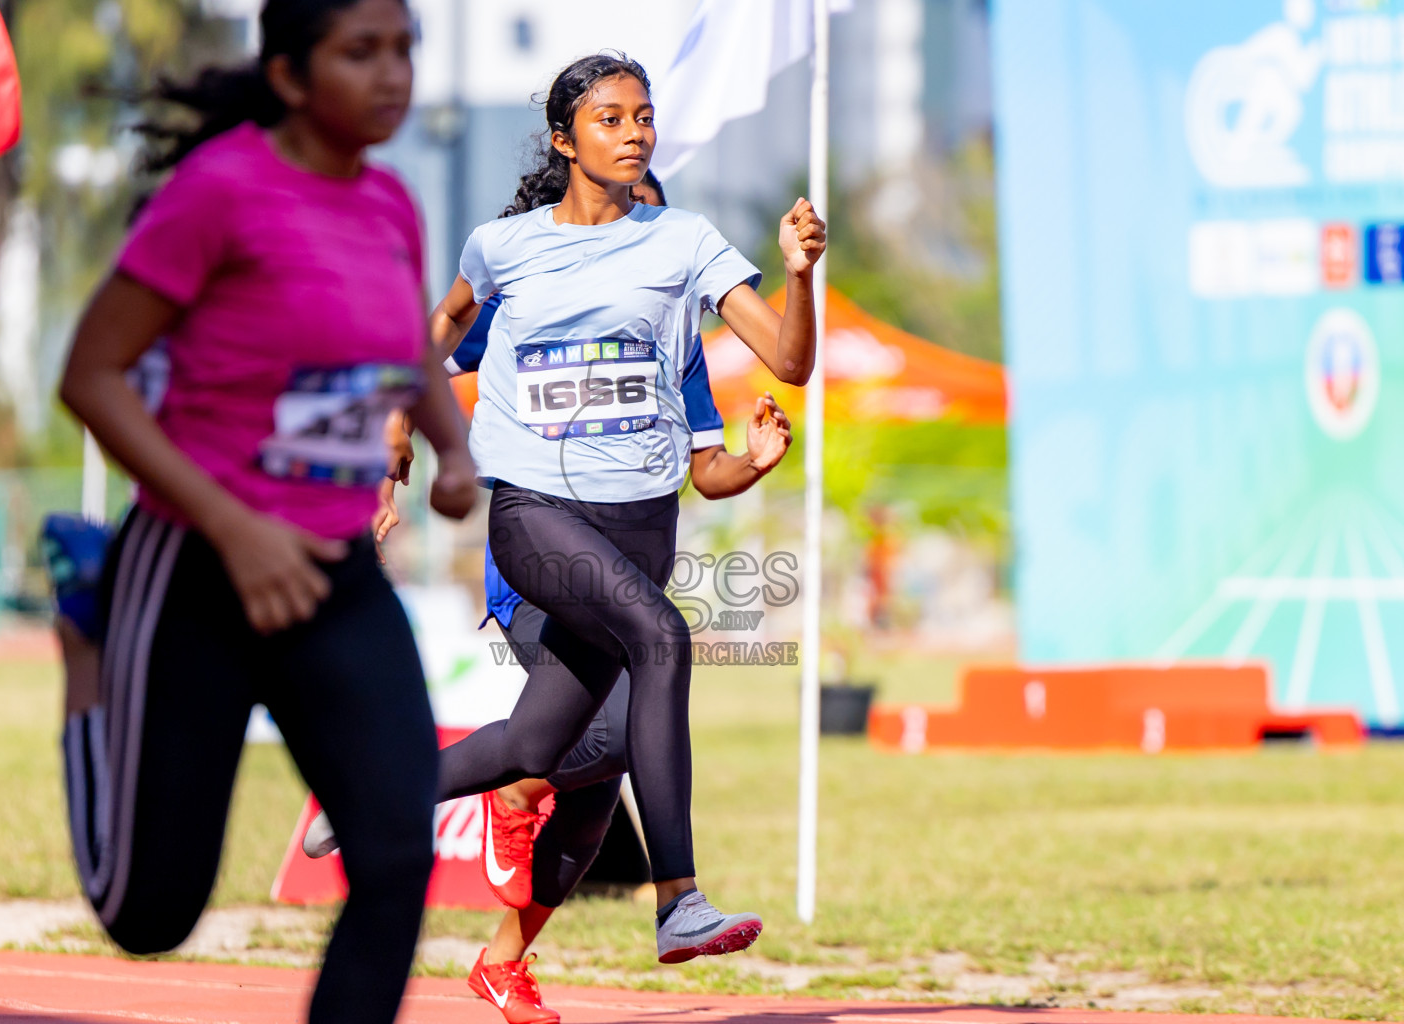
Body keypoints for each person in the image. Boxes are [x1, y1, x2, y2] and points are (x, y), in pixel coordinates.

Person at [54, 1, 476, 1021]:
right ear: (289, 76)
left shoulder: (390, 203)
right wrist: (235, 527)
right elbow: (92, 375)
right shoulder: (220, 193)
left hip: (333, 570)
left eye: (404, 51)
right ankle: (85, 637)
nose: (393, 76)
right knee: (149, 912)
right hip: (197, 562)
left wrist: (454, 448)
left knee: (391, 853)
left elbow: (405, 345)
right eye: (360, 53)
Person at [305, 171, 797, 1023]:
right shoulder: (529, 293)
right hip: (537, 555)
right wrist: (390, 463)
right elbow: (413, 363)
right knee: (617, 720)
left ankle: (496, 946)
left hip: (627, 561)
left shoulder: (670, 333)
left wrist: (750, 462)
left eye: (647, 212)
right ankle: (647, 877)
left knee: (580, 764)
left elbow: (704, 471)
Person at [424, 52, 826, 967]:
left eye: (645, 118)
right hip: (533, 534)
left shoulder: (676, 287)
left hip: (634, 538)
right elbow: (438, 342)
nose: (638, 133)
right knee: (658, 648)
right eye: (613, 119)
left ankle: (432, 839)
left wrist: (797, 285)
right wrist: (399, 442)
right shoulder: (515, 256)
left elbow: (742, 425)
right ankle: (676, 898)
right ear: (566, 142)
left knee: (568, 748)